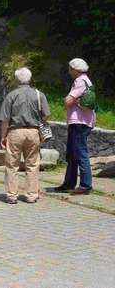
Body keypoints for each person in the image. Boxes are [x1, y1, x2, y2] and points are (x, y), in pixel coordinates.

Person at [0, 67, 51, 204]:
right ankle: (31, 195)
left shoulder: (11, 95)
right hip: (33, 131)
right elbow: (46, 116)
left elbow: (5, 119)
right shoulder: (39, 95)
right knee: (33, 164)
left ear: (16, 80)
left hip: (15, 132)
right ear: (30, 79)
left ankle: (11, 196)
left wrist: (3, 136)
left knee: (11, 164)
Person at [54, 58, 96, 195]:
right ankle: (69, 183)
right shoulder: (87, 81)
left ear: (74, 70)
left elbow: (67, 101)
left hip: (79, 122)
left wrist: (71, 100)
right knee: (72, 154)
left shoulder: (80, 82)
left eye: (70, 68)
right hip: (81, 121)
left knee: (80, 154)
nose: (70, 71)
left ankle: (85, 185)